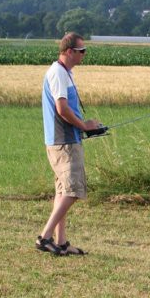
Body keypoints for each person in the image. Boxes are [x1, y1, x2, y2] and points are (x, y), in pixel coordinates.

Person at [35, 32, 101, 256]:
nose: (84, 55)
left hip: (67, 139)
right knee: (72, 192)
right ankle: (44, 237)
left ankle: (61, 242)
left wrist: (86, 128)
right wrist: (84, 126)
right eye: (81, 51)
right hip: (63, 142)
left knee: (63, 191)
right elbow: (62, 109)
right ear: (69, 51)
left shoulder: (65, 73)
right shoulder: (58, 73)